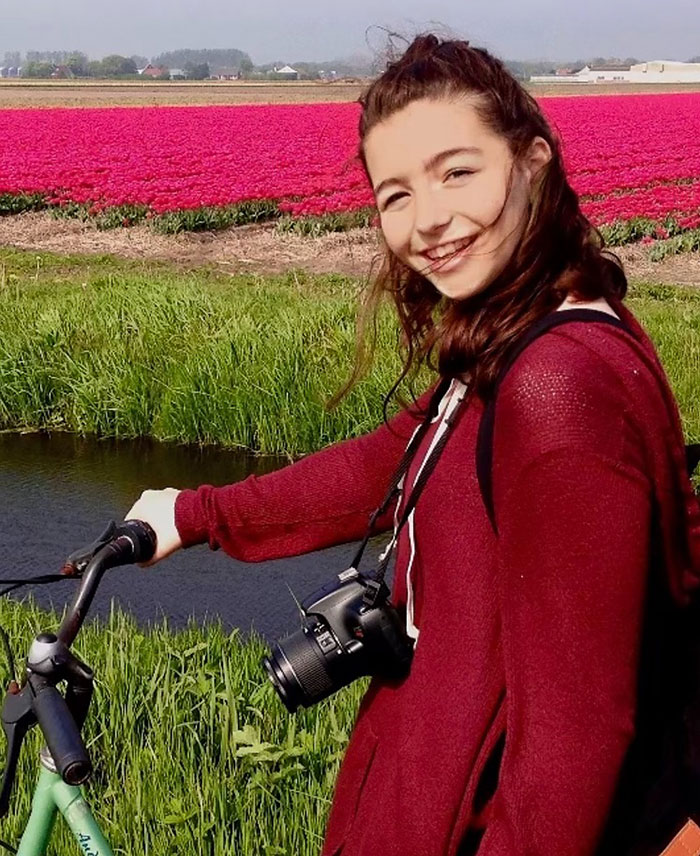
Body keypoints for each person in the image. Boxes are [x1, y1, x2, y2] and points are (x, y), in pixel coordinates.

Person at [125, 34, 700, 856]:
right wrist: (197, 513)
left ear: (531, 161)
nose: (428, 221)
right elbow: (398, 457)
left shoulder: (557, 388)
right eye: (396, 193)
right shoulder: (529, 331)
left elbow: (574, 742)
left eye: (457, 171)